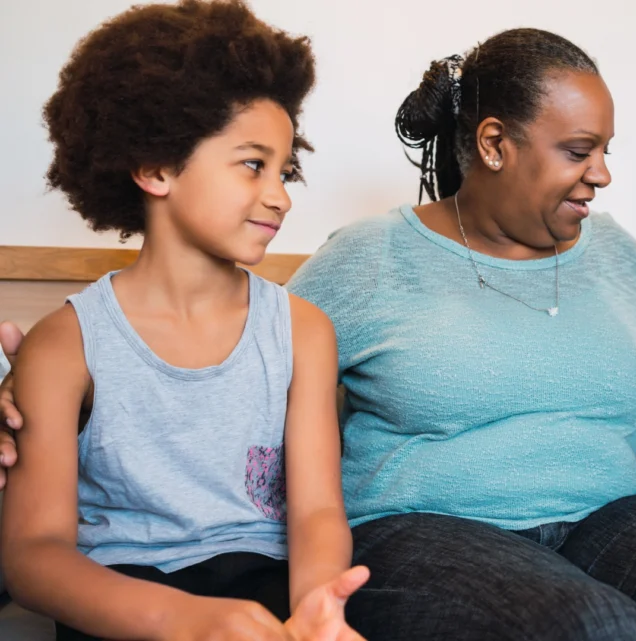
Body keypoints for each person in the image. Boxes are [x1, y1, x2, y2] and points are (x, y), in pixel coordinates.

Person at [287, 29, 636, 640]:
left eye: (605, 151)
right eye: (579, 151)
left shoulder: (610, 252)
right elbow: (252, 373)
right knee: (595, 624)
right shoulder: (370, 257)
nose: (603, 174)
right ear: (494, 144)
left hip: (610, 523)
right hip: (425, 530)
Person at [0, 2, 366, 639]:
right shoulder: (63, 346)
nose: (280, 195)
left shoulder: (303, 330)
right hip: (121, 596)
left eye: (286, 171)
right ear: (156, 168)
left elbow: (315, 512)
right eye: (253, 164)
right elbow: (33, 553)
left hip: (267, 585)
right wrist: (182, 620)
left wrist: (316, 607)